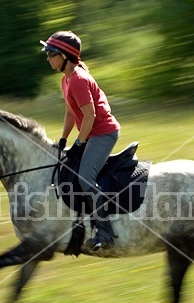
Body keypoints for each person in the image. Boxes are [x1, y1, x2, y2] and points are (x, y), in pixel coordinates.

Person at [40, 31, 120, 251]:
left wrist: (80, 143)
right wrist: (64, 139)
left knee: (85, 178)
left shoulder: (78, 80)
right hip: (90, 132)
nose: (48, 58)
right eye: (47, 53)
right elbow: (70, 113)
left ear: (65, 55)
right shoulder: (65, 79)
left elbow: (90, 115)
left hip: (103, 133)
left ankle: (105, 232)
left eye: (51, 53)